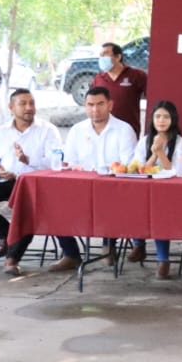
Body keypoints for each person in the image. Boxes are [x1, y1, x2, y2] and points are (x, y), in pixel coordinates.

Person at [0, 88, 63, 274]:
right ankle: (6, 232)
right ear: (11, 107)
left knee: (26, 211)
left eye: (31, 103)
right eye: (23, 104)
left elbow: (55, 161)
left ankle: (12, 258)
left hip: (35, 184)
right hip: (6, 181)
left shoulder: (48, 130)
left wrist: (28, 160)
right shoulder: (1, 132)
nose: (29, 108)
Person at [57, 86, 138, 269]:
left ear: (110, 104)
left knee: (112, 200)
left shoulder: (124, 130)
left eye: (100, 104)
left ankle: (108, 245)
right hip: (81, 188)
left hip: (114, 189)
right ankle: (70, 253)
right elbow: (70, 162)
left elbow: (128, 165)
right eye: (90, 105)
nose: (95, 109)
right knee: (55, 203)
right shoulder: (77, 130)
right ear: (85, 106)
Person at [131, 101, 182, 280]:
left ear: (173, 119)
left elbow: (178, 171)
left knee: (160, 212)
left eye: (166, 116)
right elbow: (138, 168)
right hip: (145, 190)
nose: (161, 120)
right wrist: (154, 154)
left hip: (170, 193)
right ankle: (138, 243)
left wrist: (162, 153)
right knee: (135, 205)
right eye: (157, 116)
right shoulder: (144, 140)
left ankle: (163, 259)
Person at [92, 41, 147, 134]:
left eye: (105, 54)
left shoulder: (137, 75)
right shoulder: (99, 78)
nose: (101, 58)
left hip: (129, 128)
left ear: (118, 57)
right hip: (104, 129)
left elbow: (152, 96)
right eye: (100, 55)